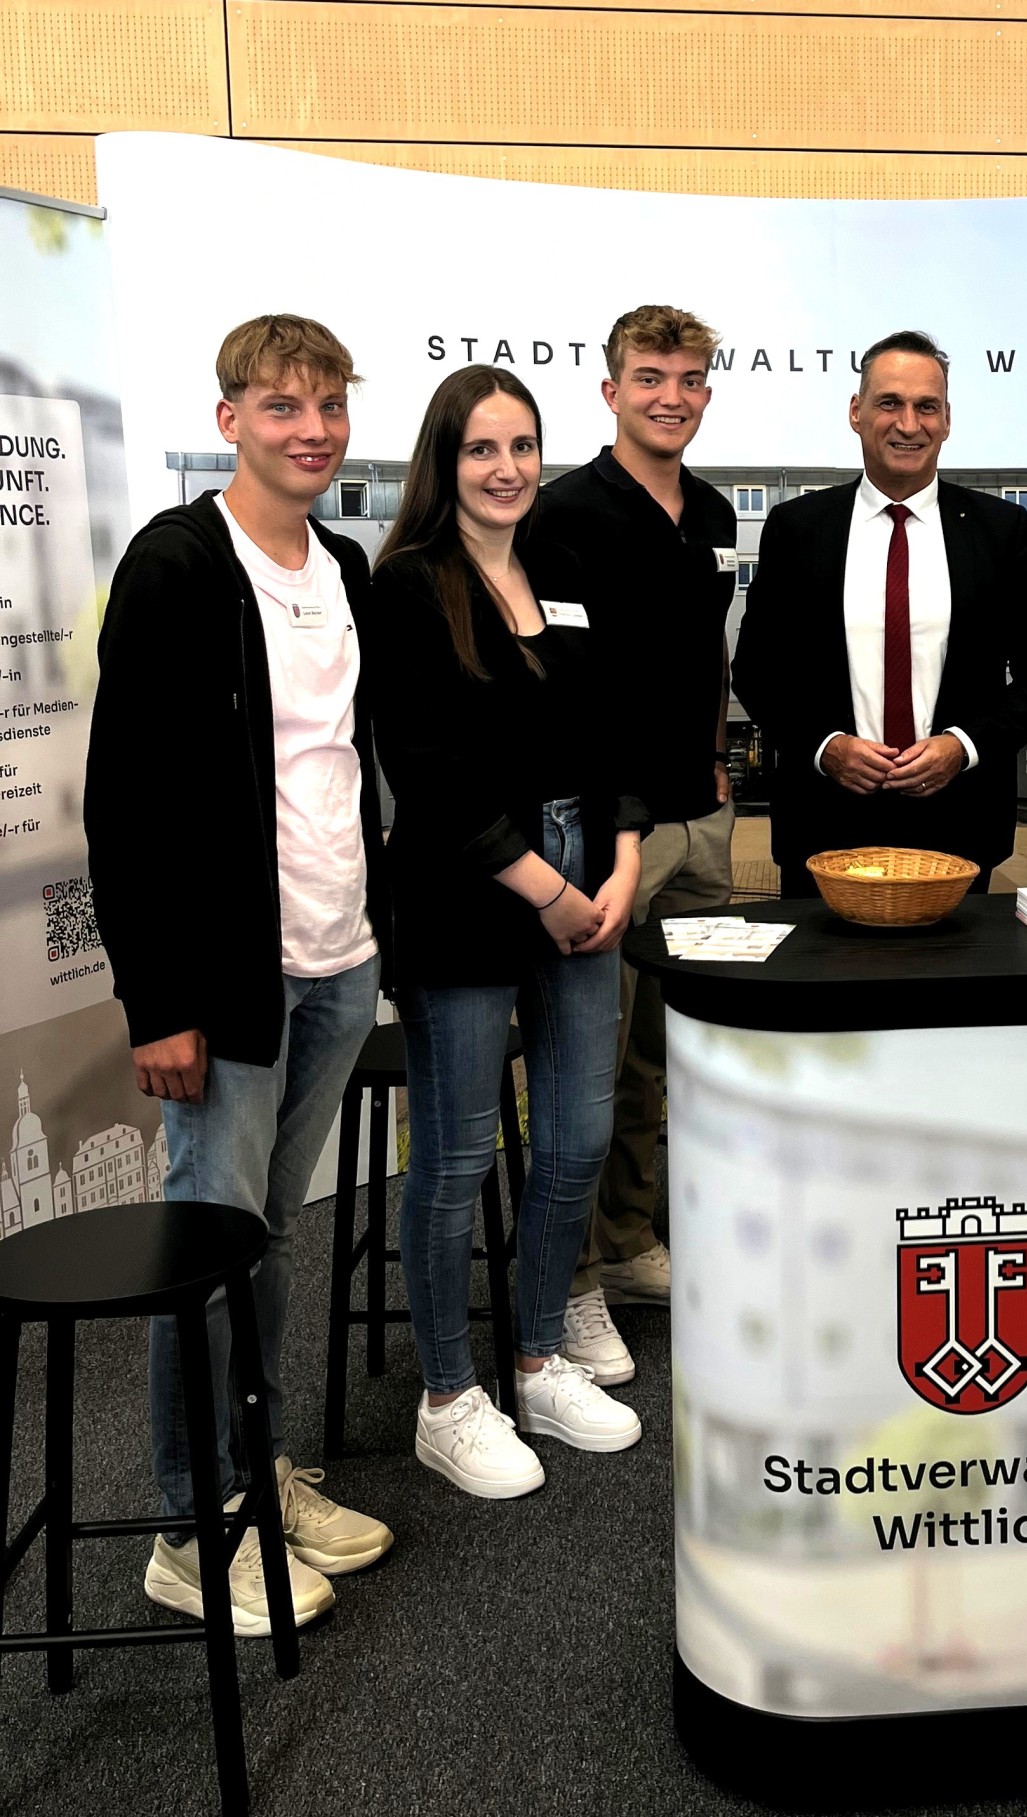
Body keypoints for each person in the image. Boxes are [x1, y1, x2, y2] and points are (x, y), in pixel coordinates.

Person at [85, 314, 394, 1634]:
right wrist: (159, 1003)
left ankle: (254, 1470)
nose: (310, 429)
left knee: (265, 1244)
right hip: (226, 978)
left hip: (337, 962)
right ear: (230, 420)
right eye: (281, 406)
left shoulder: (346, 563)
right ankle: (186, 1524)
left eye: (327, 406)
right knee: (208, 1243)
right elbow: (123, 803)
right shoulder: (175, 565)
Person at [369, 365, 646, 1498]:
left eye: (523, 445)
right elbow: (426, 775)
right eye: (483, 448)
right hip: (469, 888)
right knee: (457, 1157)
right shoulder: (406, 587)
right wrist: (547, 886)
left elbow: (612, 728)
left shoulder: (563, 566)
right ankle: (447, 1395)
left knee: (576, 1134)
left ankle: (536, 1358)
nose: (508, 468)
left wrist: (621, 859)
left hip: (588, 874)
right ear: (446, 461)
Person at [539, 306, 735, 1386]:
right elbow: (571, 688)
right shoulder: (564, 510)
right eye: (652, 376)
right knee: (590, 1061)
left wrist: (715, 768)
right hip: (611, 830)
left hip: (701, 818)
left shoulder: (707, 510)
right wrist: (619, 821)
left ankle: (624, 1238)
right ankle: (563, 1282)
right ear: (610, 387)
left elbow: (704, 654)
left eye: (691, 378)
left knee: (665, 1052)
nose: (673, 394)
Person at [731, 330, 1027, 888]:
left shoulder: (1000, 531)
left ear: (947, 419)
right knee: (823, 977)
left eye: (926, 406)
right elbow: (757, 672)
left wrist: (965, 745)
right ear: (857, 412)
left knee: (953, 977)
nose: (909, 425)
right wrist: (825, 747)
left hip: (959, 827)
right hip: (824, 825)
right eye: (890, 403)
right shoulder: (797, 529)